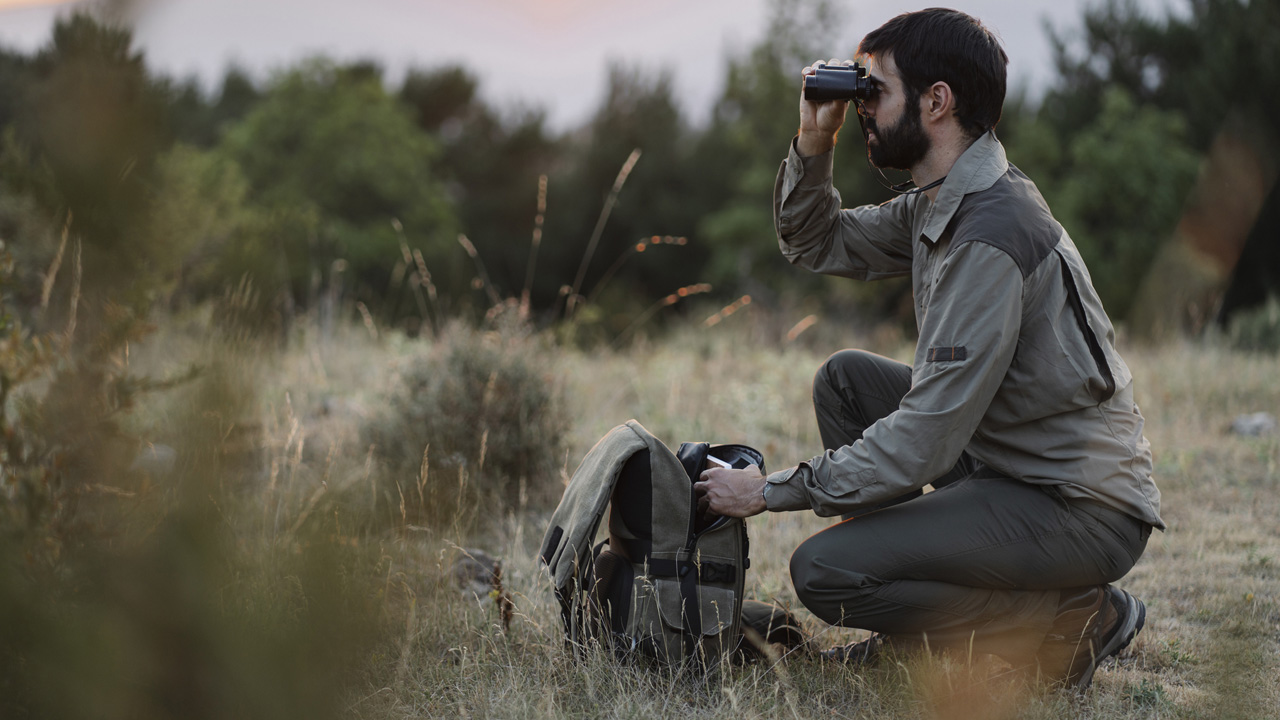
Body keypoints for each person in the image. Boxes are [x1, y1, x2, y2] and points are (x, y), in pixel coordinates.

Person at [693, 8, 1162, 691]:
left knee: (823, 571)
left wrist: (767, 491)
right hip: (1014, 463)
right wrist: (812, 141)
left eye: (874, 91)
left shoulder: (987, 236)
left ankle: (1068, 619)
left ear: (936, 101)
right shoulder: (943, 202)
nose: (863, 109)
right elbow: (814, 241)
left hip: (1079, 506)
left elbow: (924, 443)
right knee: (846, 380)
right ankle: (918, 635)